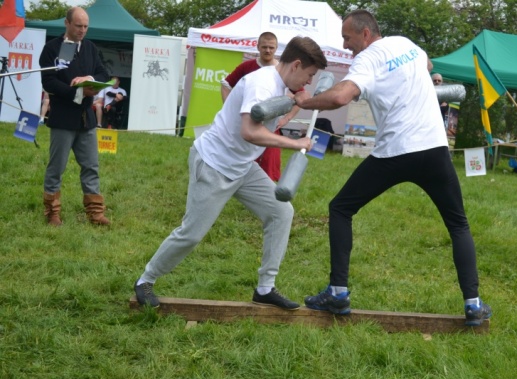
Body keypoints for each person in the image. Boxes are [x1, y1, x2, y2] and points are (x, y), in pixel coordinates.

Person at [293, 10, 492, 326]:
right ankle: (474, 305)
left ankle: (338, 293)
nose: (345, 45)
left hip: (396, 152)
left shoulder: (367, 59)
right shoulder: (405, 44)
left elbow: (341, 96)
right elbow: (428, 65)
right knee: (458, 224)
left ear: (366, 34)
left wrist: (305, 102)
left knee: (341, 208)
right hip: (434, 150)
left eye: (347, 37)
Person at [133, 36, 327, 309]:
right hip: (214, 164)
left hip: (243, 166)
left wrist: (299, 100)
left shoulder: (280, 83)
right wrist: (295, 143)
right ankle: (146, 279)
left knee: (281, 212)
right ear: (296, 65)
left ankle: (265, 288)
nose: (309, 82)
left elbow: (276, 112)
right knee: (191, 234)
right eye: (309, 75)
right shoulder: (261, 84)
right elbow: (249, 132)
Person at [39, 7, 111, 226]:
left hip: (86, 119)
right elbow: (49, 82)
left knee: (91, 166)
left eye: (86, 26)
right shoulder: (52, 49)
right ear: (67, 23)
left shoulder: (90, 47)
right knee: (57, 167)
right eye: (78, 26)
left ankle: (95, 213)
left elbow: (103, 73)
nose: (82, 30)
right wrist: (77, 92)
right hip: (62, 118)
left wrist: (89, 79)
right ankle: (52, 212)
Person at [221, 32, 298, 182]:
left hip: (271, 128)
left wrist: (286, 118)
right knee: (244, 163)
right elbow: (226, 85)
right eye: (264, 47)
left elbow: (300, 96)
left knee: (270, 166)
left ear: (276, 48)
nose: (268, 50)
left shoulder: (283, 71)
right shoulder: (247, 66)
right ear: (258, 47)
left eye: (271, 47)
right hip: (248, 126)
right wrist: (231, 109)